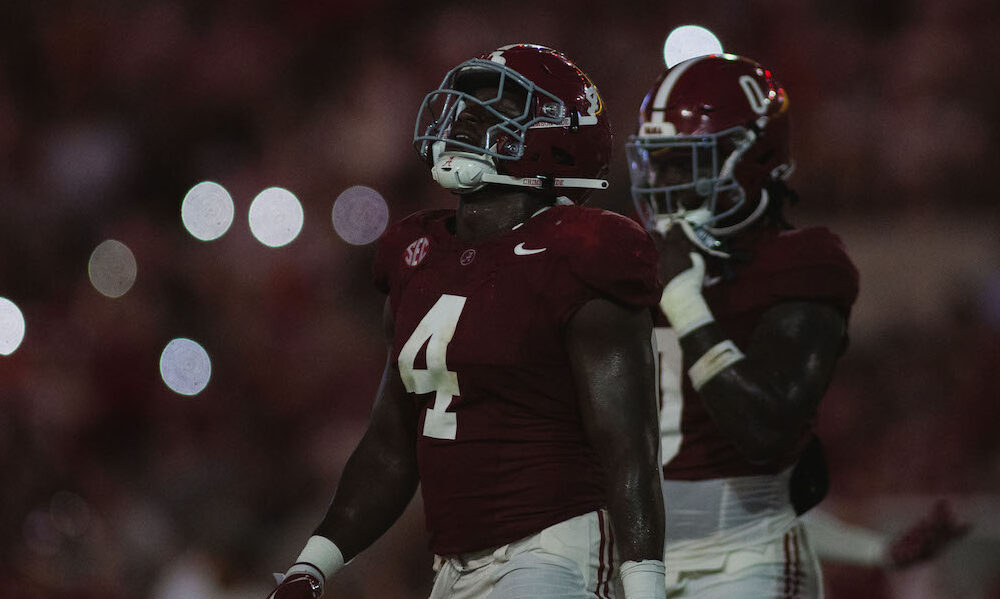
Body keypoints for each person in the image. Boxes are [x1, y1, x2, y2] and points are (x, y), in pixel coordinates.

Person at [267, 43, 666, 599]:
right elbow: (392, 444)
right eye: (464, 110)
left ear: (555, 138)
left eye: (492, 113)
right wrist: (310, 568)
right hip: (451, 566)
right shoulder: (419, 253)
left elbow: (628, 445)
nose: (462, 123)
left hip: (552, 550)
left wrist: (645, 585)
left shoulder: (583, 253)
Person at [625, 53, 860, 597]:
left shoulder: (800, 263)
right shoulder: (633, 266)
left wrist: (684, 301)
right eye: (656, 162)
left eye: (684, 162)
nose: (662, 181)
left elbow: (763, 429)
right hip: (641, 563)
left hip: (743, 559)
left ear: (753, 159)